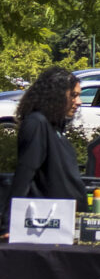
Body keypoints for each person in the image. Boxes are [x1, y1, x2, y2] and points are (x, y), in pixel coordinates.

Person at [8, 66, 83, 207]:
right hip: (47, 220)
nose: (79, 102)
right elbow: (25, 174)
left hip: (63, 219)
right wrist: (9, 223)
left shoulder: (54, 127)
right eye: (73, 95)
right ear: (56, 95)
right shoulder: (37, 123)